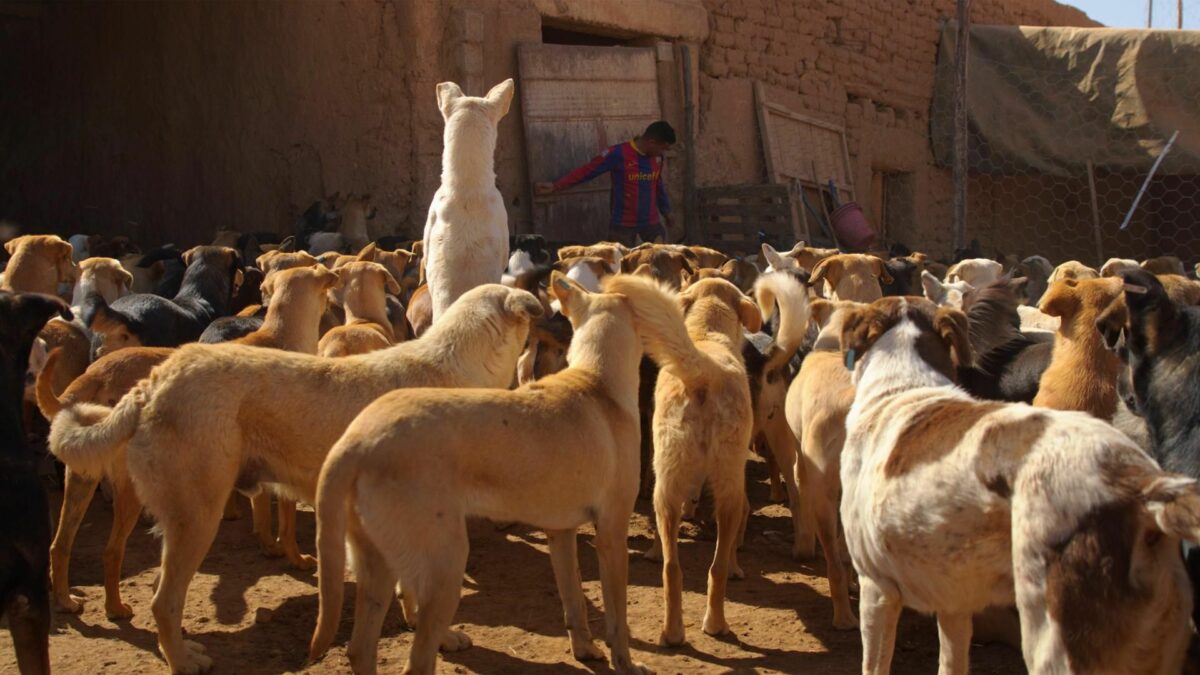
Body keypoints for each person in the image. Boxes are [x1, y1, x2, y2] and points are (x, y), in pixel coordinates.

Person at [536, 120, 675, 247]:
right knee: (620, 267)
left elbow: (658, 185)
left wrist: (666, 212)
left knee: (659, 264)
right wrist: (556, 185)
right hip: (623, 225)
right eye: (662, 148)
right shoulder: (617, 153)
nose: (662, 153)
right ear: (651, 142)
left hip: (651, 224)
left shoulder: (657, 159)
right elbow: (587, 171)